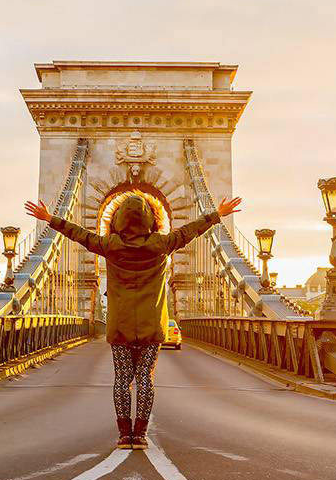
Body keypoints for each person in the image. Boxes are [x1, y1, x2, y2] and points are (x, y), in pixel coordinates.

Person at [25, 193, 242, 450]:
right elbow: (189, 232)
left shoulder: (110, 245)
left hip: (120, 324)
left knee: (122, 379)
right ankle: (139, 435)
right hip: (152, 324)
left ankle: (123, 435)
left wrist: (50, 218)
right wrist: (217, 215)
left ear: (117, 220)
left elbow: (79, 234)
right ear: (152, 220)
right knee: (145, 379)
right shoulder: (162, 244)